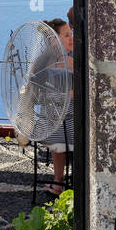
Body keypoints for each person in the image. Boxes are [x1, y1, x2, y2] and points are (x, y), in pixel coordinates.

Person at [41, 17, 73, 195]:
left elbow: (34, 94)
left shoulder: (41, 65)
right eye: (67, 35)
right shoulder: (71, 64)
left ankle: (58, 180)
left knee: (56, 122)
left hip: (49, 130)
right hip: (73, 133)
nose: (72, 38)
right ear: (55, 40)